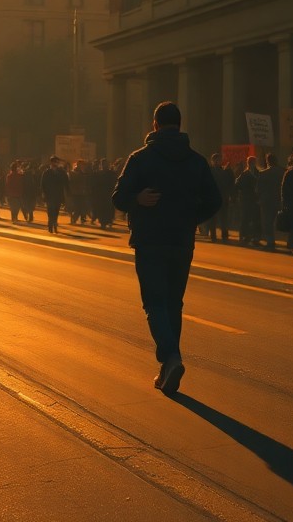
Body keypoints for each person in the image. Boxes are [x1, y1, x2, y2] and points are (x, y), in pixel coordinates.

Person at [112, 101, 222, 395]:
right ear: (180, 125)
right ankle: (168, 367)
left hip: (149, 240)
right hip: (182, 241)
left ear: (155, 125)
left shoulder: (140, 159)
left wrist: (137, 200)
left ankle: (171, 359)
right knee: (174, 303)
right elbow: (215, 201)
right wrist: (191, 217)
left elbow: (119, 198)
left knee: (155, 303)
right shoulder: (197, 161)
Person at [257, 153, 283, 251]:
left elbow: (258, 189)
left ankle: (270, 242)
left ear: (267, 161)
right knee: (278, 221)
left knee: (267, 222)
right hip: (278, 200)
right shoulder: (283, 172)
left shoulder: (263, 173)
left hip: (266, 201)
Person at [235, 156, 261, 246]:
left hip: (253, 199)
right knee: (245, 218)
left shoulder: (257, 173)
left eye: (253, 162)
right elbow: (237, 185)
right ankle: (244, 235)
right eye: (250, 162)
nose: (251, 164)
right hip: (246, 199)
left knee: (254, 218)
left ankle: (253, 236)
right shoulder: (245, 174)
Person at [40, 156, 69, 234]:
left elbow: (66, 182)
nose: (55, 164)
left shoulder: (61, 172)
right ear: (51, 163)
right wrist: (43, 194)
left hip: (58, 195)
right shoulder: (46, 172)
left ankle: (55, 225)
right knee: (50, 211)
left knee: (56, 211)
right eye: (54, 162)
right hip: (49, 195)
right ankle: (50, 225)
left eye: (56, 162)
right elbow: (43, 184)